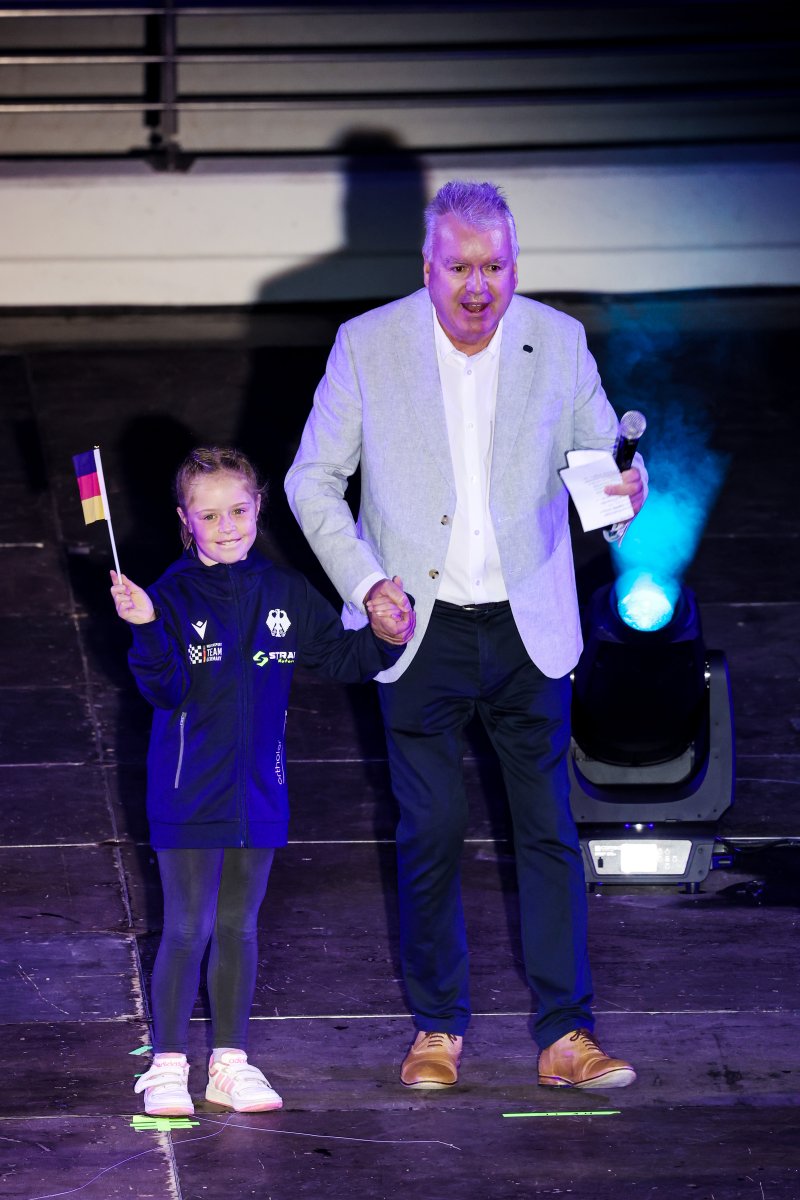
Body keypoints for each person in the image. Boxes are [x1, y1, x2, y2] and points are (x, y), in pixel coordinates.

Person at [285, 180, 646, 1091]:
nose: (478, 287)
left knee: (548, 831)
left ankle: (567, 1035)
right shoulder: (367, 344)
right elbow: (311, 480)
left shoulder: (558, 341)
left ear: (516, 267)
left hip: (530, 630)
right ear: (428, 268)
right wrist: (366, 583)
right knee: (432, 829)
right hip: (419, 628)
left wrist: (624, 497)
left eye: (496, 267)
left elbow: (602, 467)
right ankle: (437, 1028)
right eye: (460, 268)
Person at [111, 447, 414, 1117]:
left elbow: (342, 657)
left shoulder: (284, 590)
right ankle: (166, 1066)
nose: (227, 526)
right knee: (186, 928)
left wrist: (387, 635)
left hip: (260, 792)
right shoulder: (169, 596)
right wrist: (145, 628)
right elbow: (165, 689)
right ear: (185, 520)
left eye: (239, 510)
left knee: (238, 928)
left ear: (258, 509)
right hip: (189, 793)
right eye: (209, 515)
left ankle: (229, 1063)